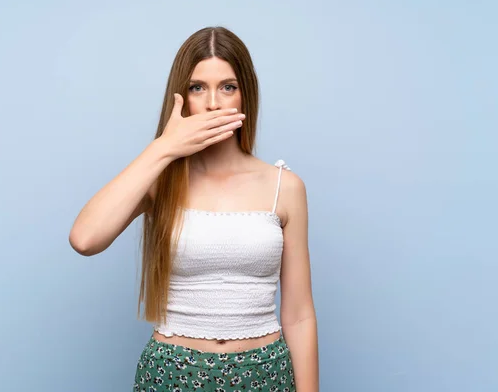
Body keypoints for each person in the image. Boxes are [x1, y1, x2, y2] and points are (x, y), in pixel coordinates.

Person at [69, 26, 319, 391]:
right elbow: (85, 239)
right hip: (172, 374)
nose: (213, 103)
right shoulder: (159, 180)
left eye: (228, 87)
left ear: (245, 96)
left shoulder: (285, 186)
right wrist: (164, 148)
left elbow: (299, 316)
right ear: (181, 98)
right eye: (197, 87)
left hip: (264, 373)